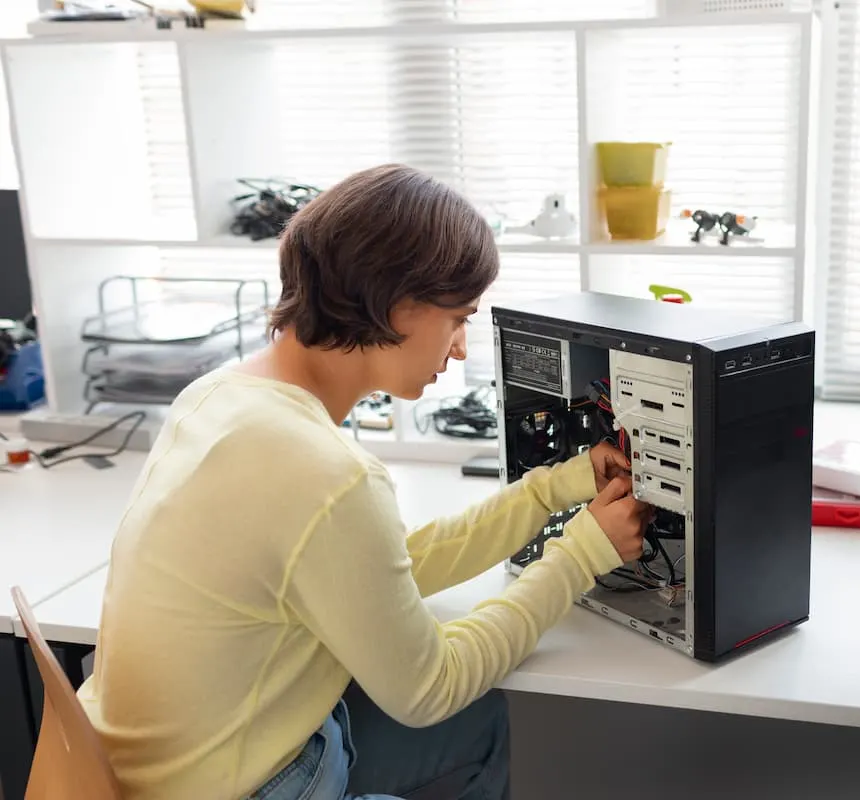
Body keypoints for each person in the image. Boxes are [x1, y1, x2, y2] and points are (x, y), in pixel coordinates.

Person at [78, 164, 653, 800]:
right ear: (398, 303)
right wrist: (582, 554)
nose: (460, 348)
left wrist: (556, 487)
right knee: (463, 707)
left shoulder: (216, 396)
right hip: (245, 786)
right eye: (458, 318)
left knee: (482, 720)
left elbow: (375, 566)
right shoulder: (324, 474)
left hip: (148, 770)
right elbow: (429, 688)